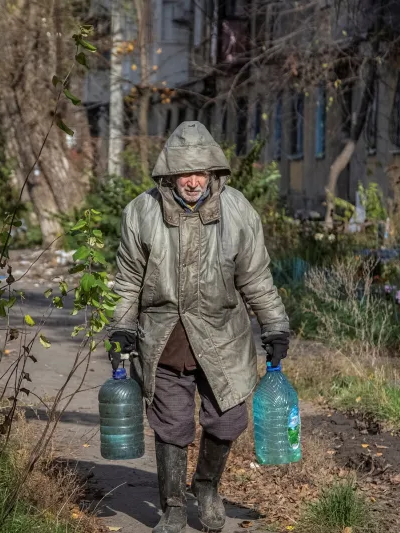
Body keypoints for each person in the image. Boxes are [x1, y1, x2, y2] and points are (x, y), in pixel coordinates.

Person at [106, 121, 290, 533]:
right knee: (171, 425)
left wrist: (275, 326)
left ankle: (206, 487)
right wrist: (121, 328)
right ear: (169, 174)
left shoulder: (238, 211)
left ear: (213, 173)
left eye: (200, 172)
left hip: (223, 339)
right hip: (165, 341)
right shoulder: (141, 212)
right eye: (184, 173)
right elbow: (128, 280)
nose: (192, 182)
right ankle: (172, 506)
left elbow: (256, 278)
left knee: (227, 420)